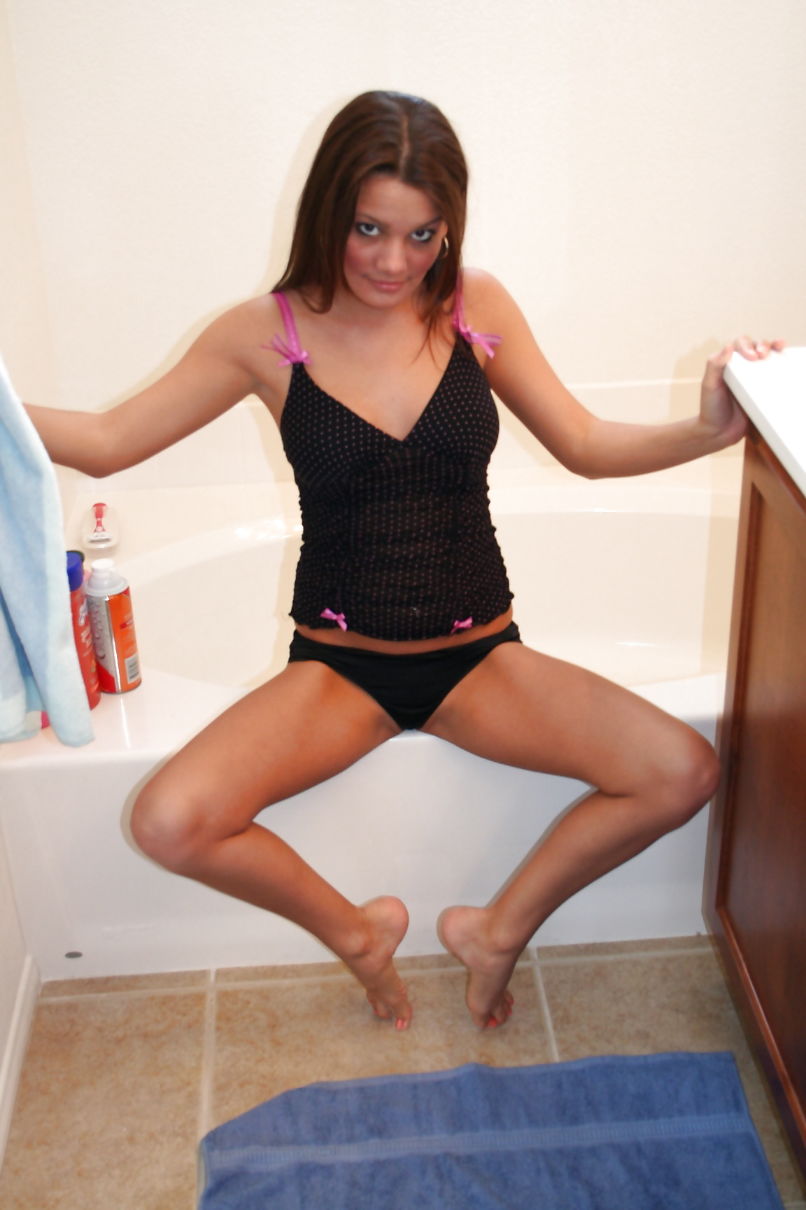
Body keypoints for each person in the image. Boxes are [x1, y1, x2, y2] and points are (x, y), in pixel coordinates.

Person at [25, 90, 782, 1032]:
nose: (394, 261)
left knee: (683, 770)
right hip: (341, 669)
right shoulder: (265, 334)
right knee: (168, 820)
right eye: (369, 229)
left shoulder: (474, 308)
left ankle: (498, 931)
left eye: (423, 235)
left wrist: (710, 430)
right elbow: (106, 441)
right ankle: (356, 934)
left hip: (482, 658)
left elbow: (584, 444)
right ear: (328, 213)